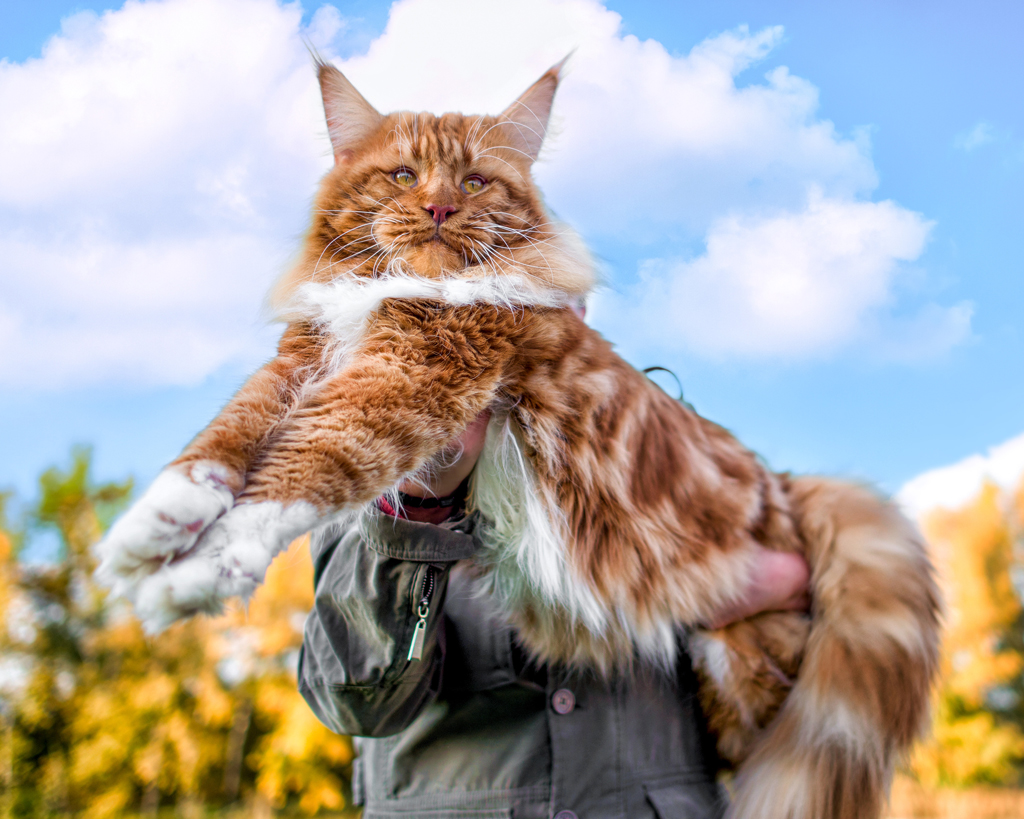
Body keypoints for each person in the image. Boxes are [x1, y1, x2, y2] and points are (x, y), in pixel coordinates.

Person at [297, 407, 810, 819]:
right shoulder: (366, 439)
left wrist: (786, 580)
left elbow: (842, 593)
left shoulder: (670, 437)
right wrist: (418, 498)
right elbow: (355, 700)